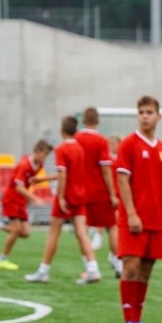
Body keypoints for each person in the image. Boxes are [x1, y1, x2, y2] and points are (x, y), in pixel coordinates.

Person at [115, 95, 162, 323]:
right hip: (133, 220)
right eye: (141, 111)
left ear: (158, 116)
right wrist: (131, 213)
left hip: (154, 219)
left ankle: (138, 321)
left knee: (146, 269)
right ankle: (128, 322)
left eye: (149, 112)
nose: (144, 116)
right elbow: (122, 179)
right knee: (130, 267)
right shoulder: (129, 144)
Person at [25, 116, 101, 284]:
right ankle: (93, 269)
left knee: (54, 232)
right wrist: (44, 180)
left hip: (67, 197)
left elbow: (63, 175)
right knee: (82, 233)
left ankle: (43, 271)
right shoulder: (79, 149)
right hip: (80, 195)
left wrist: (60, 197)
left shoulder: (61, 149)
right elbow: (69, 173)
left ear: (61, 130)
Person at [0, 139, 53, 269]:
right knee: (15, 231)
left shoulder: (39, 165)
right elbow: (18, 187)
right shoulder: (25, 164)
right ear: (37, 151)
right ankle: (1, 260)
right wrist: (34, 198)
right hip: (12, 198)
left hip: (21, 200)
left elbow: (29, 181)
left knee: (25, 233)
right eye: (45, 154)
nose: (45, 158)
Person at [76, 107, 122, 279]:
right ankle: (119, 263)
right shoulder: (101, 141)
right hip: (100, 191)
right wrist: (112, 193)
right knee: (111, 226)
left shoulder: (76, 140)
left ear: (83, 120)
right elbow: (105, 169)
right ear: (98, 121)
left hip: (80, 191)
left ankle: (90, 267)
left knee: (82, 229)